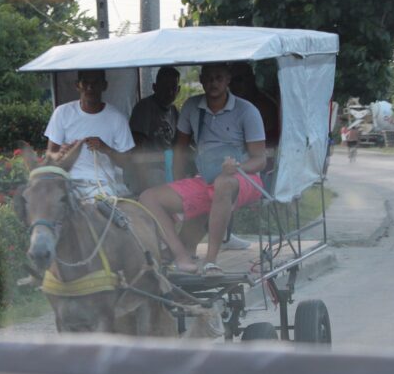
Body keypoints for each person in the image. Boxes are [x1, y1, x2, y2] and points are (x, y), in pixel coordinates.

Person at [139, 63, 269, 275]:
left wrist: (237, 167)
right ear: (201, 80)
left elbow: (260, 161)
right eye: (208, 78)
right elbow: (180, 150)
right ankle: (180, 254)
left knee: (223, 183)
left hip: (244, 177)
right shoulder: (192, 106)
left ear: (228, 80)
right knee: (148, 197)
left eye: (218, 78)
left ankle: (211, 261)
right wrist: (178, 183)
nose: (213, 83)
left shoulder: (247, 111)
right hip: (207, 177)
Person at [44, 69, 134, 198]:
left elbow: (127, 162)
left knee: (101, 213)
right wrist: (63, 153)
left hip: (102, 185)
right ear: (77, 85)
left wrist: (105, 149)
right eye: (85, 82)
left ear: (104, 85)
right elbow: (50, 154)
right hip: (68, 183)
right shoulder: (62, 113)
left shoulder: (117, 118)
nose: (90, 87)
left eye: (95, 83)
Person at [128, 67, 180, 194]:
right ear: (154, 87)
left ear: (178, 90)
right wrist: (143, 181)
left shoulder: (174, 111)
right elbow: (137, 148)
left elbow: (180, 144)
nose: (169, 92)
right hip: (150, 169)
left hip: (168, 167)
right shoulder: (145, 108)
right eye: (164, 87)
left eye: (173, 88)